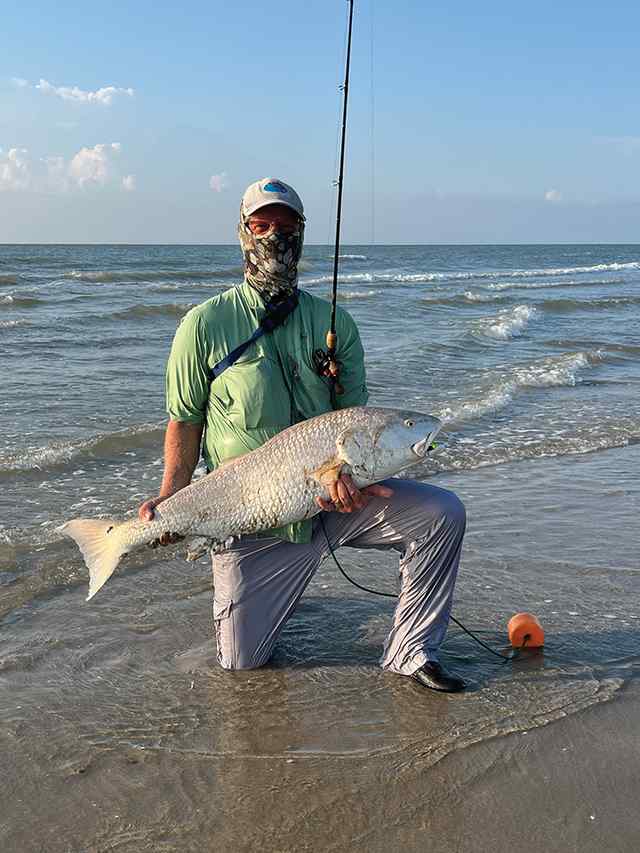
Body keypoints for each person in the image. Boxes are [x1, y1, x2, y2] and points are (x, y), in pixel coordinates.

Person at [140, 177, 467, 693]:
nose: (276, 236)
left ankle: (412, 651)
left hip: (333, 506)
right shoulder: (203, 325)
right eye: (262, 225)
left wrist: (353, 479)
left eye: (287, 226)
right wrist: (169, 498)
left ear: (302, 235)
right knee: (242, 664)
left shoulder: (335, 322)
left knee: (440, 513)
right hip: (254, 518)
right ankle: (278, 595)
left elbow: (356, 421)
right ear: (243, 232)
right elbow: (185, 420)